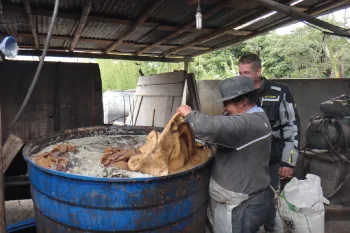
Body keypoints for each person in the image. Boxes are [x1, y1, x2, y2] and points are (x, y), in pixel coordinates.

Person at [177, 76, 272, 233]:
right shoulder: (258, 117)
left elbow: (213, 127)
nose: (224, 108)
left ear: (244, 101)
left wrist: (189, 114)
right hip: (250, 197)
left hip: (241, 206)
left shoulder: (248, 123)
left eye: (227, 103)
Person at [238, 54, 300, 233]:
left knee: (270, 201)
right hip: (246, 160)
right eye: (240, 72)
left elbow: (292, 127)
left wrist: (288, 161)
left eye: (247, 73)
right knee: (248, 202)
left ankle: (274, 230)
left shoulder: (280, 91)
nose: (242, 77)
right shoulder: (237, 93)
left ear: (259, 71)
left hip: (272, 160)